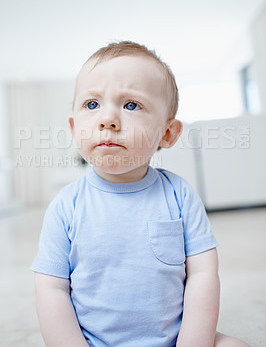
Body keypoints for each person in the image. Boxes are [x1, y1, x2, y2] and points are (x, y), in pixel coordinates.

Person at [31, 41, 251, 347]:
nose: (107, 120)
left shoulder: (179, 195)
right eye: (91, 104)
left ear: (167, 133)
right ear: (73, 128)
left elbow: (202, 275)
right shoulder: (65, 206)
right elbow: (51, 288)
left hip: (174, 340)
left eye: (131, 105)